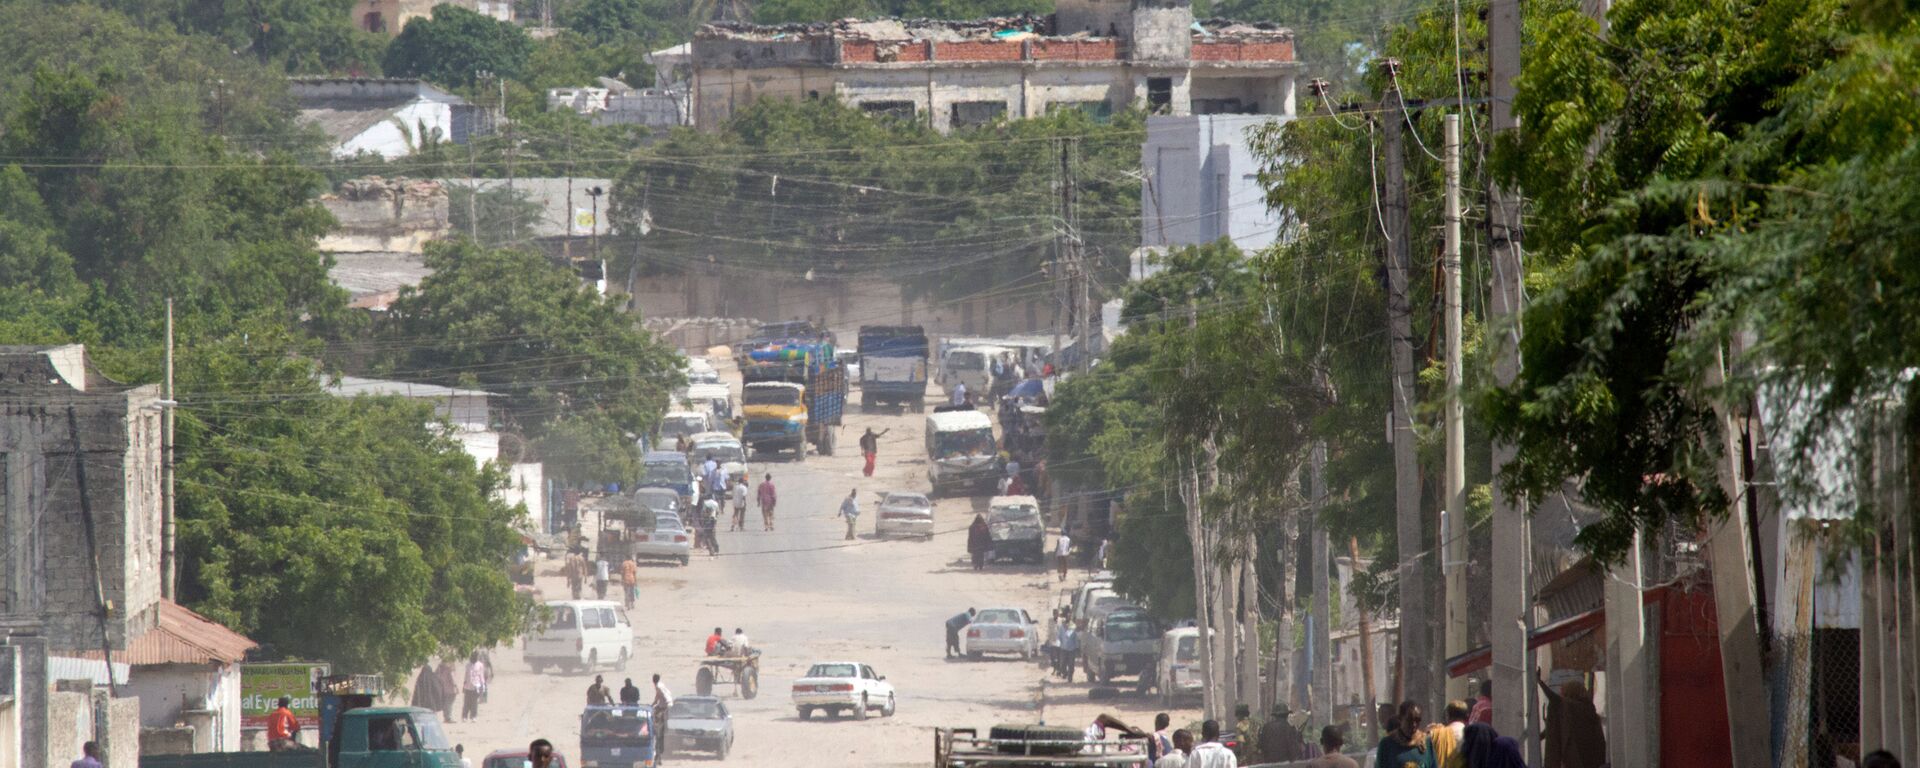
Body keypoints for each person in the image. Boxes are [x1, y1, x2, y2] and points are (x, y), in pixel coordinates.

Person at [1539, 672, 1605, 768]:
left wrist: (1540, 682)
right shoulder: (1584, 708)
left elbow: (1556, 700)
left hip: (1583, 757)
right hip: (1590, 758)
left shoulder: (1578, 707)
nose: (1562, 694)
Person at [1375, 702, 1435, 768]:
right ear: (1400, 719)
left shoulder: (1427, 743)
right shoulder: (1387, 744)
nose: (1414, 725)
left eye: (1417, 720)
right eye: (1409, 720)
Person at [1426, 701, 1465, 768]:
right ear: (1466, 716)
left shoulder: (1436, 733)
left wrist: (1428, 731)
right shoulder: (1472, 735)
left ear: (1448, 716)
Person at [651, 674, 673, 763]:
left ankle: (658, 756)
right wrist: (652, 705)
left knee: (659, 736)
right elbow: (657, 697)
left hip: (665, 707)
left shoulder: (659, 686)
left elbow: (665, 695)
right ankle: (658, 757)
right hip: (663, 706)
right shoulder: (659, 685)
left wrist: (666, 707)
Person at [462, 651, 487, 721]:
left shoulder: (480, 665)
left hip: (476, 686)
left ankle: (473, 716)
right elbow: (466, 676)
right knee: (466, 702)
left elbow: (481, 676)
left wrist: (483, 687)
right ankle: (464, 716)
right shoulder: (467, 665)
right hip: (468, 686)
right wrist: (463, 686)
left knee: (474, 703)